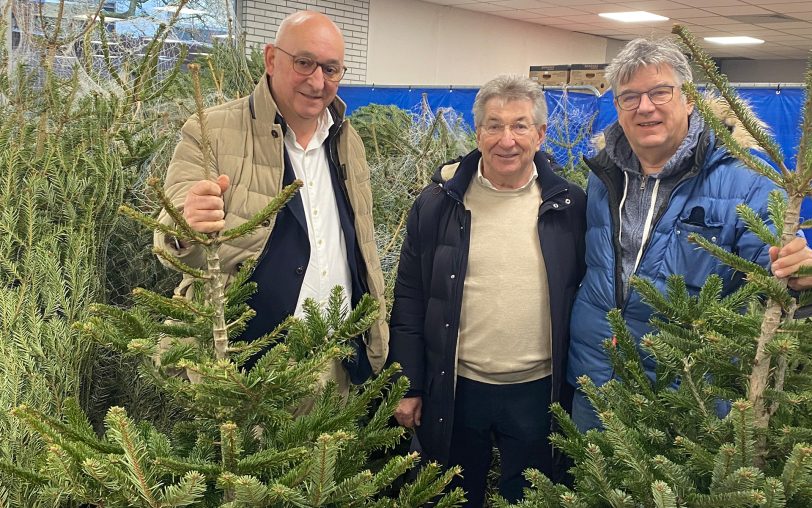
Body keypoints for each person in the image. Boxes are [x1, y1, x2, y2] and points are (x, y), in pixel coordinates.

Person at [567, 37, 812, 432]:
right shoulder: (601, 177)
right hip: (596, 384)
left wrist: (800, 276)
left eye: (659, 92)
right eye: (629, 97)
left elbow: (779, 287)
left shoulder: (748, 183)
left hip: (692, 397)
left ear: (689, 99)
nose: (644, 107)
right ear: (617, 107)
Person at [154, 10, 388, 390]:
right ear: (271, 59)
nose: (317, 81)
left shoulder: (348, 142)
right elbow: (172, 237)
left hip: (337, 361)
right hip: (246, 374)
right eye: (304, 63)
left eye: (331, 69)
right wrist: (186, 226)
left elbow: (363, 245)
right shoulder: (211, 131)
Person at [388, 74, 586, 506]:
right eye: (494, 125)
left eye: (519, 125)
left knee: (531, 498)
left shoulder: (570, 206)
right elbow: (409, 299)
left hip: (539, 389)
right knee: (454, 497)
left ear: (540, 134)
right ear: (477, 133)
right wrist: (408, 384)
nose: (506, 139)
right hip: (457, 387)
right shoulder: (438, 203)